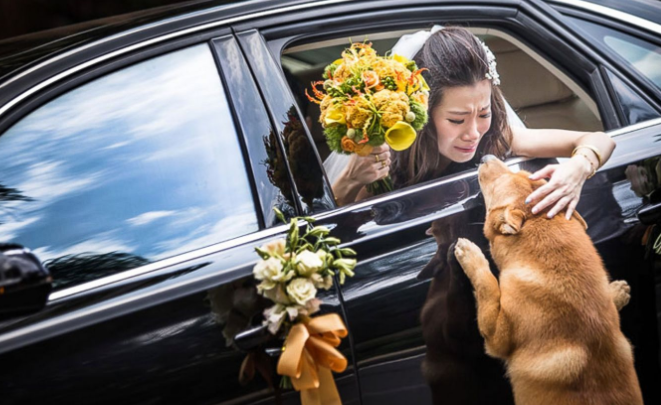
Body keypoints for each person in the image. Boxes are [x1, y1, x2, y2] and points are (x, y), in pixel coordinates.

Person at [330, 26, 615, 220]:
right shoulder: (387, 159)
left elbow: (599, 140)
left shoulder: (497, 135)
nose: (474, 133)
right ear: (424, 116)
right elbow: (344, 229)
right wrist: (349, 181)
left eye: (483, 113)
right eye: (457, 119)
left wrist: (579, 168)